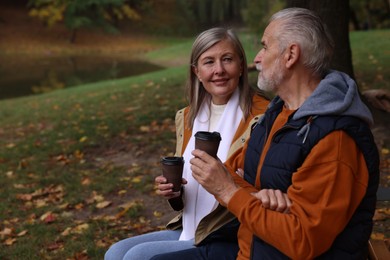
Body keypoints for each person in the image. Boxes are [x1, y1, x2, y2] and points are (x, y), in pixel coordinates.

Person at [153, 7, 380, 259]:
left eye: (265, 46)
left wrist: (231, 193)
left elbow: (302, 240)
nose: (257, 58)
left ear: (291, 54)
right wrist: (258, 195)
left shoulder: (335, 139)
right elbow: (230, 171)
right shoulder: (279, 114)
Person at [104, 27, 271, 260]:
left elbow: (264, 187)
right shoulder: (187, 117)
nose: (219, 70)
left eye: (227, 59)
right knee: (115, 252)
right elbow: (185, 194)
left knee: (136, 257)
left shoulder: (262, 117)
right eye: (209, 62)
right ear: (197, 72)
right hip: (191, 228)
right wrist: (174, 192)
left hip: (226, 233)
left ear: (241, 65)